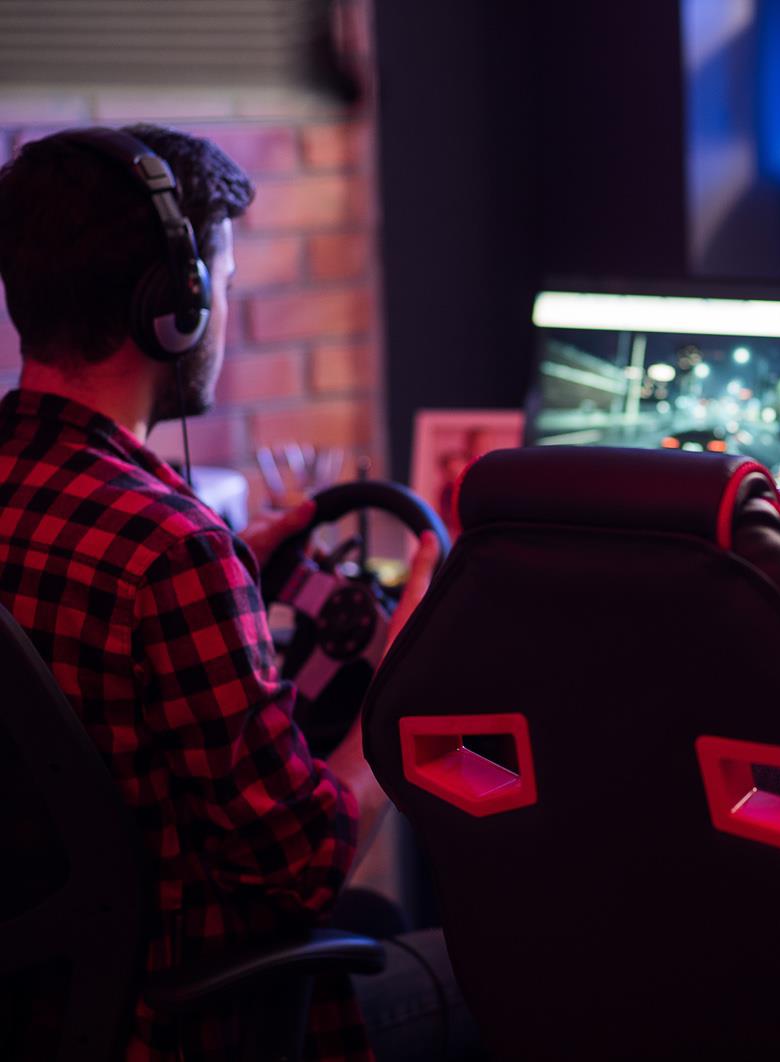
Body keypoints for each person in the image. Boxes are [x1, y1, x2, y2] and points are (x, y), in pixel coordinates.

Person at [0, 127, 473, 1060]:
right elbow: (305, 870)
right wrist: (403, 679)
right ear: (173, 306)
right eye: (221, 278)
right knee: (500, 971)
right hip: (179, 1027)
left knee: (379, 923)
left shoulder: (117, 532)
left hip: (35, 1008)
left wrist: (228, 582)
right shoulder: (171, 551)